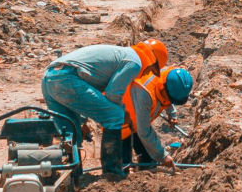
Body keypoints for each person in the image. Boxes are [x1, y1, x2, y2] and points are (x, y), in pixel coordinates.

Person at [42, 39, 167, 176]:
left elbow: (88, 84)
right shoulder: (135, 63)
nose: (146, 74)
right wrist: (124, 113)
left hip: (50, 77)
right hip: (67, 79)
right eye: (151, 71)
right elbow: (113, 94)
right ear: (152, 64)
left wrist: (83, 122)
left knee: (72, 134)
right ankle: (112, 173)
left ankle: (75, 178)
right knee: (115, 115)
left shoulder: (124, 54)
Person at [122, 66, 193, 171]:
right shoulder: (145, 93)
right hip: (119, 119)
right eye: (171, 99)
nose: (171, 102)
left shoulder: (170, 76)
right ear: (164, 90)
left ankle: (145, 178)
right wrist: (162, 155)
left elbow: (169, 96)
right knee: (121, 166)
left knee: (149, 159)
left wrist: (171, 113)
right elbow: (144, 131)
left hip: (137, 117)